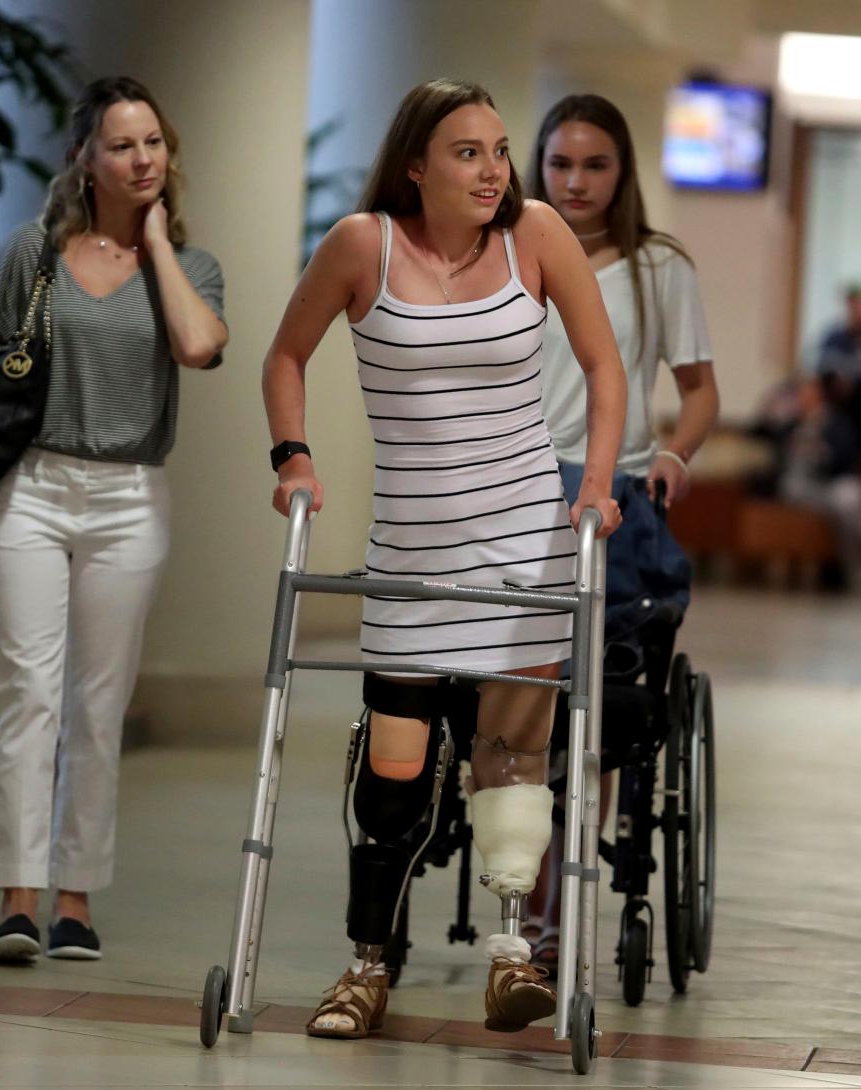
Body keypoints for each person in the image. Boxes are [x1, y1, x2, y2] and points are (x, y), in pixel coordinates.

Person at [262, 78, 625, 1040]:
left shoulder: (536, 236)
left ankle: (514, 957)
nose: (494, 169)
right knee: (395, 768)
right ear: (415, 164)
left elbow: (603, 365)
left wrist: (592, 485)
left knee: (511, 757)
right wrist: (292, 456)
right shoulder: (360, 245)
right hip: (412, 554)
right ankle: (366, 965)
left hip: (523, 548)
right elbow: (285, 355)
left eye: (500, 150)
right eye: (468, 152)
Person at [0, 77, 228, 963]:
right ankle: (18, 897)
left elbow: (200, 346)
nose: (142, 160)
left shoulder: (193, 267)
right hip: (28, 488)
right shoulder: (34, 251)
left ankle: (77, 900)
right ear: (86, 159)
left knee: (98, 705)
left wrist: (160, 243)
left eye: (154, 144)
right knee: (26, 692)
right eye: (123, 145)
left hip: (130, 497)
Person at [525, 93, 719, 973]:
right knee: (521, 697)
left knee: (598, 701)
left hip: (618, 493)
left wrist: (676, 454)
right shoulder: (505, 249)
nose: (575, 181)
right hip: (518, 489)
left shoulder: (657, 265)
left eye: (594, 164)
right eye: (561, 163)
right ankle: (522, 882)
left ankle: (562, 886)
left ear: (623, 171)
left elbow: (700, 386)